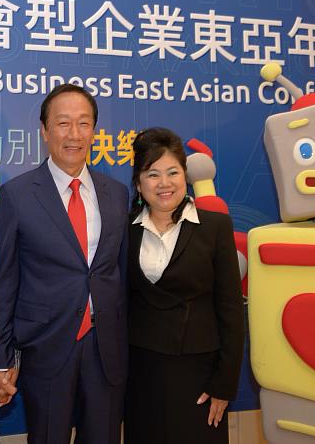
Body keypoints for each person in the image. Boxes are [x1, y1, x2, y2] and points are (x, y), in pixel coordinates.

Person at [0, 84, 129, 444]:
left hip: (105, 347)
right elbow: (5, 281)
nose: (74, 134)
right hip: (47, 346)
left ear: (94, 132)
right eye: (63, 123)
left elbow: (119, 273)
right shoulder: (17, 195)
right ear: (45, 130)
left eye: (84, 124)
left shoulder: (115, 193)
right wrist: (1, 357)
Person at [123, 127, 245, 444]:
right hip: (142, 373)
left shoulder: (215, 226)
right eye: (153, 174)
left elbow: (232, 311)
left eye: (173, 172)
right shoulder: (124, 231)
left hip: (200, 377)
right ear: (138, 182)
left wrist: (225, 383)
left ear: (185, 175)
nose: (164, 183)